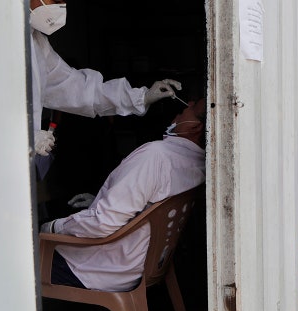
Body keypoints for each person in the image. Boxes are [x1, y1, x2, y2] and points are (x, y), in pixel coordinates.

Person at [39, 97, 207, 291]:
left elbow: (103, 222)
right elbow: (147, 208)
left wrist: (53, 227)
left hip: (99, 269)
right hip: (137, 266)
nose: (187, 104)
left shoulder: (155, 156)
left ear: (195, 127)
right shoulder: (197, 163)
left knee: (16, 256)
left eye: (193, 106)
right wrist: (101, 200)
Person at [28, 0, 181, 156]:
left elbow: (79, 89)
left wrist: (141, 97)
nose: (59, 7)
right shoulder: (4, 36)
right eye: (55, 1)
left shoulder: (35, 43)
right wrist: (26, 138)